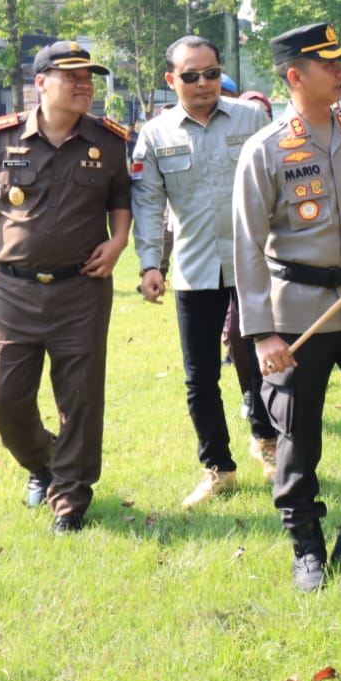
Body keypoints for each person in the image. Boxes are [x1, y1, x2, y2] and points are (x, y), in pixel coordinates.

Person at [232, 23, 341, 591]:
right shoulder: (264, 150)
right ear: (294, 76)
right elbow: (246, 249)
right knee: (298, 433)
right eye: (329, 64)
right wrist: (262, 336)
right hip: (297, 312)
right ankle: (306, 542)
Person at [0, 40, 133, 535]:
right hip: (13, 292)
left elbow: (121, 198)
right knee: (1, 396)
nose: (85, 85)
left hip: (82, 292)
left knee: (80, 398)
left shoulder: (110, 142)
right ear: (40, 83)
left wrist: (119, 241)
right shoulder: (0, 140)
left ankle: (70, 499)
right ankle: (43, 464)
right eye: (73, 76)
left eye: (90, 77)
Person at [132, 35, 275, 508]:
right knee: (200, 375)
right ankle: (219, 468)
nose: (203, 83)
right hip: (195, 267)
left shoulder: (255, 119)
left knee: (263, 362)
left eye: (211, 73)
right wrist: (152, 262)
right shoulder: (155, 135)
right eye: (190, 76)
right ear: (172, 80)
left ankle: (269, 444)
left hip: (256, 262)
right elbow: (150, 204)